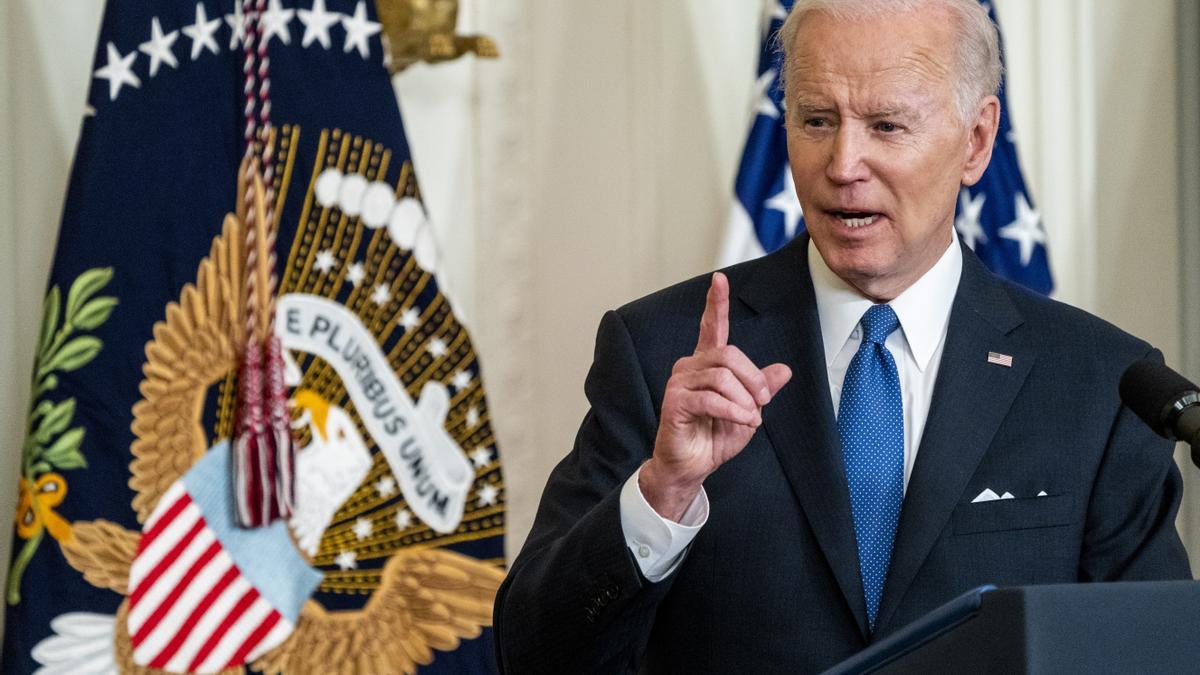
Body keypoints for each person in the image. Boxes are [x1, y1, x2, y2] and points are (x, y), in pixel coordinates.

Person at [494, 0, 1192, 671]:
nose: (842, 164)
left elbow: (1150, 653)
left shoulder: (1101, 386)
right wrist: (661, 495)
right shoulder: (662, 353)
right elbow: (533, 655)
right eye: (817, 120)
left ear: (976, 141)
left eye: (886, 125)